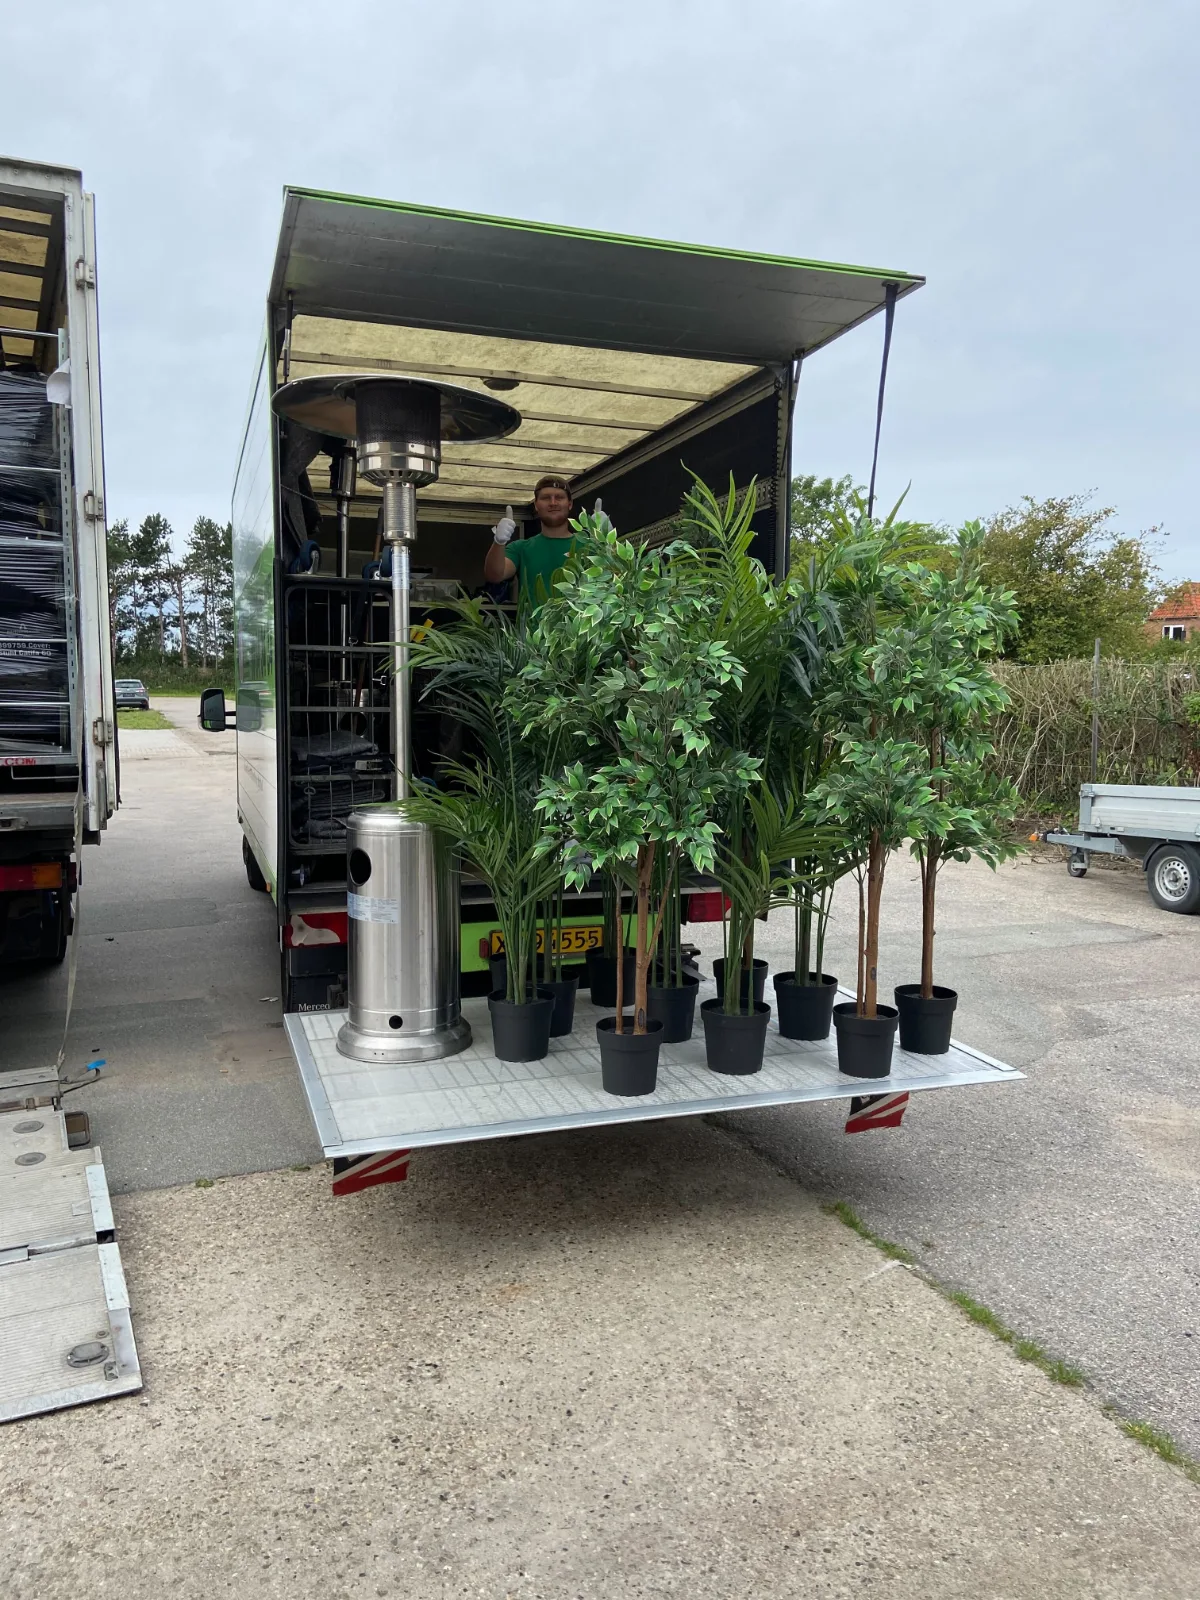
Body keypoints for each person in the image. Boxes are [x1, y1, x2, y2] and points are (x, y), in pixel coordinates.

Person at [483, 475, 577, 608]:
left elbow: (613, 579)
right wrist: (499, 541)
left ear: (570, 504)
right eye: (546, 498)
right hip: (532, 628)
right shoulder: (521, 548)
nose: (553, 503)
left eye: (559, 497)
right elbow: (494, 575)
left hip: (578, 628)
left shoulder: (587, 545)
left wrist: (606, 543)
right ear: (536, 505)